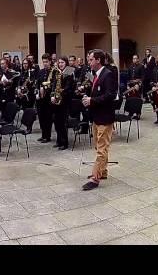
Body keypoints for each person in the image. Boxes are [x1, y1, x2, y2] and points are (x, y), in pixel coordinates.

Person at [82, 49, 118, 191]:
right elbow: (99, 91)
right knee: (99, 147)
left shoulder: (107, 74)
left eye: (90, 59)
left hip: (104, 117)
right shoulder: (97, 75)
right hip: (97, 117)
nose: (88, 62)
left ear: (98, 60)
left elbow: (110, 95)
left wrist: (92, 100)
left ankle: (95, 179)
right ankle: (103, 172)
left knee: (101, 149)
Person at [50, 56, 75, 150]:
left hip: (65, 101)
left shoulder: (69, 72)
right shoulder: (57, 72)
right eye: (59, 62)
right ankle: (59, 140)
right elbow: (53, 85)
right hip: (56, 100)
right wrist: (53, 95)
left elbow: (69, 87)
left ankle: (64, 142)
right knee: (56, 121)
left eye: (62, 62)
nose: (60, 64)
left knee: (63, 122)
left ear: (66, 63)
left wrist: (60, 93)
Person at [36, 54, 53, 143]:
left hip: (48, 98)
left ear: (50, 61)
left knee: (48, 118)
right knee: (41, 117)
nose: (45, 63)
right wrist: (37, 91)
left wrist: (44, 88)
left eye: (46, 62)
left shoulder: (53, 71)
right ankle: (43, 134)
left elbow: (52, 84)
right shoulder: (41, 71)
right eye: (43, 62)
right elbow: (38, 82)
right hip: (41, 98)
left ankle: (47, 136)